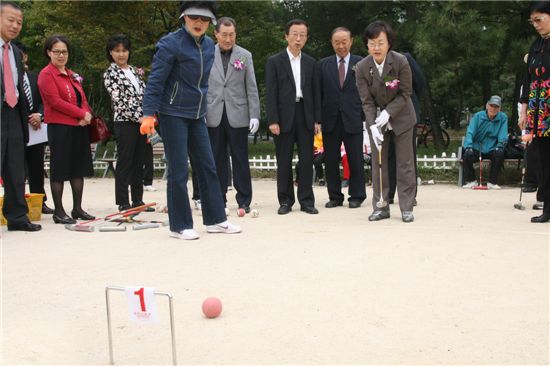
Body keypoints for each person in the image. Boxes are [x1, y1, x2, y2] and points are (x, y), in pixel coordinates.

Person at [140, 1, 241, 240]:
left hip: (197, 115)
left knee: (208, 167)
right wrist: (148, 114)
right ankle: (179, 225)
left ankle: (216, 219)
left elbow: (203, 84)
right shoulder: (169, 44)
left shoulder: (208, 45)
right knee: (178, 171)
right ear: (184, 18)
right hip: (173, 113)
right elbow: (156, 81)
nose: (199, 23)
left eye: (204, 19)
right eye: (194, 17)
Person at [355, 20, 417, 223]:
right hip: (377, 122)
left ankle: (407, 207)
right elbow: (366, 100)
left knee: (404, 164)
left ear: (388, 43)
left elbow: (405, 92)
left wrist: (389, 113)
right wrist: (372, 125)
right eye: (372, 43)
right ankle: (381, 206)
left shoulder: (400, 62)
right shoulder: (362, 67)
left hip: (402, 118)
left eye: (380, 43)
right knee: (378, 164)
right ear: (367, 45)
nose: (376, 48)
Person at [265, 19, 321, 215]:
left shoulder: (311, 63)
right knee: (284, 160)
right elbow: (270, 92)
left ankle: (306, 201)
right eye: (295, 34)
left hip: (305, 114)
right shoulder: (274, 61)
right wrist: (272, 120)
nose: (298, 38)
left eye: (302, 35)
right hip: (283, 117)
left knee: (307, 161)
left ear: (306, 38)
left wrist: (317, 120)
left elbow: (315, 93)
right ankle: (286, 201)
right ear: (286, 36)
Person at [38, 35, 95, 224]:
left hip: (78, 126)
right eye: (57, 52)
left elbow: (82, 97)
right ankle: (59, 210)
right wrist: (80, 114)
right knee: (60, 168)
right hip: (60, 126)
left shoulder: (72, 74)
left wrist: (86, 115)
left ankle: (77, 208)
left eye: (64, 51)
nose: (61, 55)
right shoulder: (47, 74)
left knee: (78, 167)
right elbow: (55, 101)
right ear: (49, 53)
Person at [206, 17, 260, 213]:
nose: (228, 39)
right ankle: (218, 198)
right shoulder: (205, 52)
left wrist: (255, 114)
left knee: (240, 158)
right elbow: (201, 85)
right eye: (224, 35)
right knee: (216, 158)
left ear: (235, 34)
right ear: (216, 34)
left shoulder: (245, 55)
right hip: (213, 113)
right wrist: (201, 111)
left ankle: (244, 199)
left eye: (232, 35)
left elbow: (251, 87)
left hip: (238, 113)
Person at [0, 2, 41, 231]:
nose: (15, 25)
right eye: (10, 20)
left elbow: (16, 85)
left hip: (14, 113)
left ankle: (17, 218)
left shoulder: (15, 52)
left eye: (19, 22)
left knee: (16, 167)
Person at [317, 27, 366, 209]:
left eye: (344, 41)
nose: (341, 45)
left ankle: (357, 195)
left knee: (355, 159)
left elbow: (367, 91)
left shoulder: (361, 63)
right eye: (337, 42)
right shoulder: (323, 65)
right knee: (330, 160)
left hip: (353, 117)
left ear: (351, 41)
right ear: (332, 43)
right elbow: (318, 93)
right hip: (330, 119)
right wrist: (317, 119)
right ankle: (335, 196)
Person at [103, 34, 153, 212]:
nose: (121, 54)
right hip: (124, 122)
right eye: (117, 51)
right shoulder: (110, 73)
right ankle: (123, 201)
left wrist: (148, 115)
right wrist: (137, 117)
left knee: (139, 161)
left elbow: (144, 94)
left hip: (143, 122)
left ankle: (138, 200)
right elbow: (119, 101)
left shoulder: (134, 70)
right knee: (126, 161)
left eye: (124, 50)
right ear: (111, 52)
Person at [13, 40, 54, 215]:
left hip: (37, 131)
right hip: (16, 130)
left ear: (25, 56)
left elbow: (46, 100)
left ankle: (40, 201)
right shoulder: (7, 78)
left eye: (20, 55)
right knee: (16, 169)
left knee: (37, 168)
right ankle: (17, 204)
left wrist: (39, 115)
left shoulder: (35, 77)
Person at [519, 1, 550, 223]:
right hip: (538, 115)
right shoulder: (536, 46)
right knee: (543, 162)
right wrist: (523, 113)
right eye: (533, 21)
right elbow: (527, 80)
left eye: (539, 19)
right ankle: (547, 208)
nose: (536, 25)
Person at [388, 52, 425, 206]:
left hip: (407, 112)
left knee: (407, 156)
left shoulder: (405, 58)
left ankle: (410, 194)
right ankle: (388, 193)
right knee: (388, 155)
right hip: (386, 113)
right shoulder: (374, 62)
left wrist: (409, 99)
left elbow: (420, 83)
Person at [462, 95, 508, 189]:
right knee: (467, 154)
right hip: (477, 147)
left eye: (496, 107)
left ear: (500, 108)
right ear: (487, 105)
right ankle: (471, 181)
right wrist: (469, 146)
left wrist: (500, 145)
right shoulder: (478, 116)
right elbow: (470, 132)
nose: (493, 108)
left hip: (492, 147)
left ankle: (492, 182)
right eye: (491, 105)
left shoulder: (503, 118)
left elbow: (503, 134)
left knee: (499, 153)